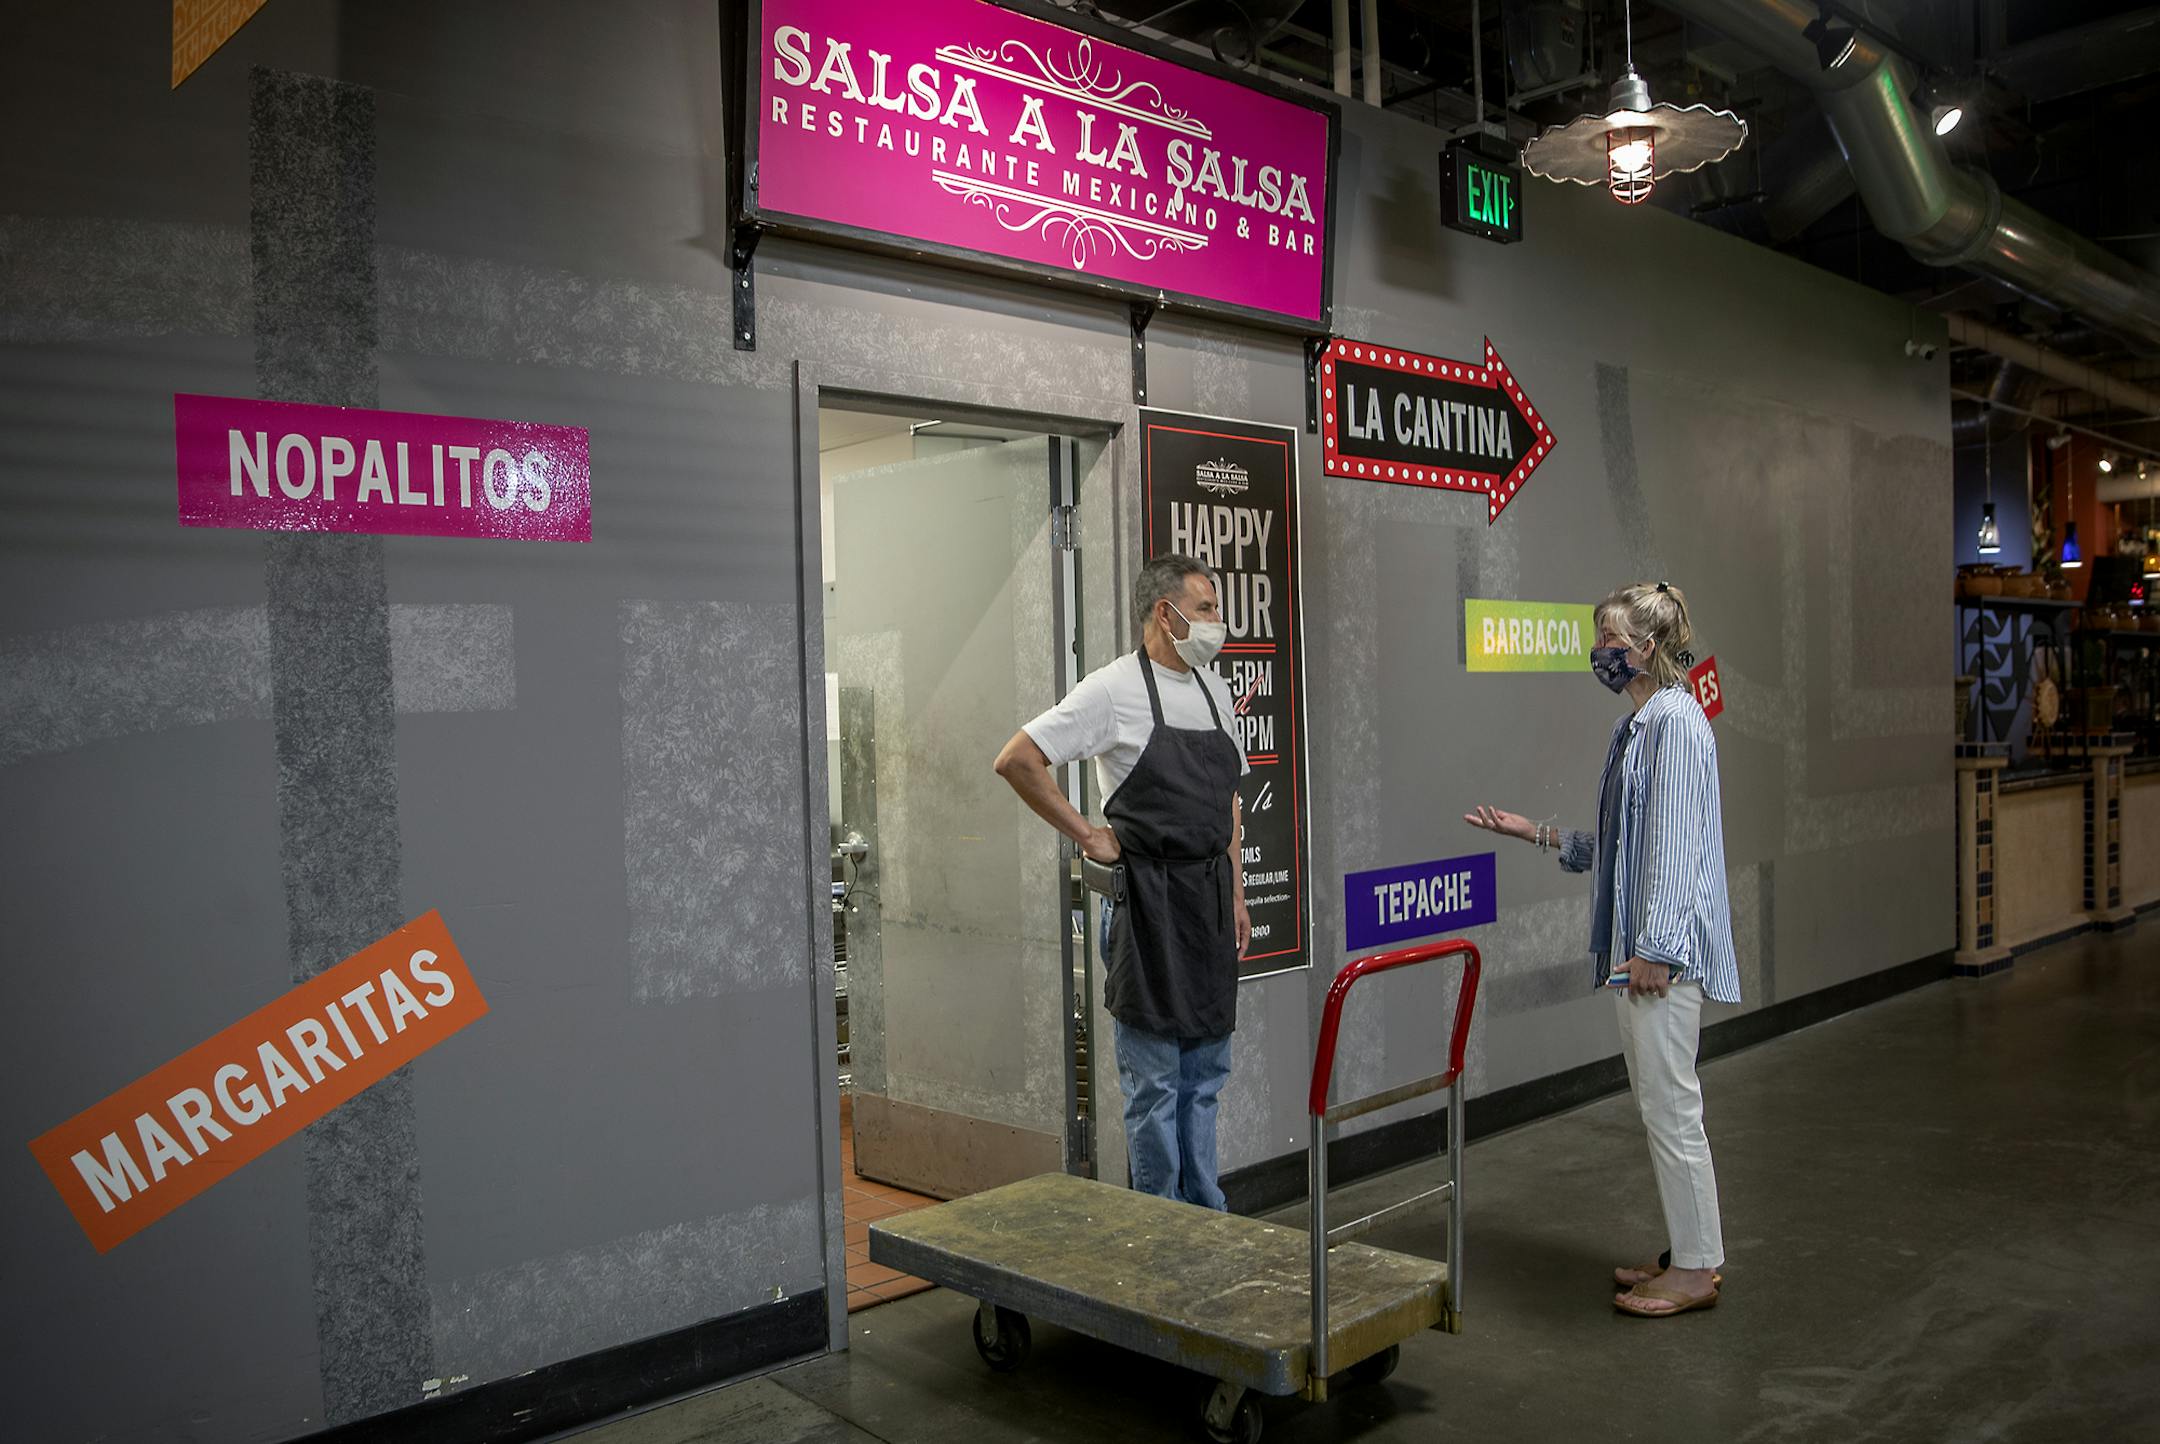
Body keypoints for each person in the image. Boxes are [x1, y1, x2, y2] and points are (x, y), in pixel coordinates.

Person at [1465, 582, 1738, 1318]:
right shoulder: (1643, 725)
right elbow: (1624, 847)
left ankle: (1697, 1268)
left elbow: (1678, 853)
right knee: (1661, 1105)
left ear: (1649, 648)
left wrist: (1655, 950)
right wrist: (1537, 833)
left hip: (1658, 959)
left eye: (1612, 641)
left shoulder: (1676, 724)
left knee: (1672, 1107)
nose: (1602, 653)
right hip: (1642, 954)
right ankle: (1688, 1253)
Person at [994, 554, 1249, 1210]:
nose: (1220, 622)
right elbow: (1017, 759)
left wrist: (1239, 893)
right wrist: (1087, 834)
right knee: (1157, 1085)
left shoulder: (1216, 692)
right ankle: (1161, 1231)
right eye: (1207, 608)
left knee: (1205, 1078)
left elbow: (1228, 805)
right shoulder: (1112, 690)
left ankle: (1207, 1223)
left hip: (1211, 905)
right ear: (1164, 614)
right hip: (1149, 911)